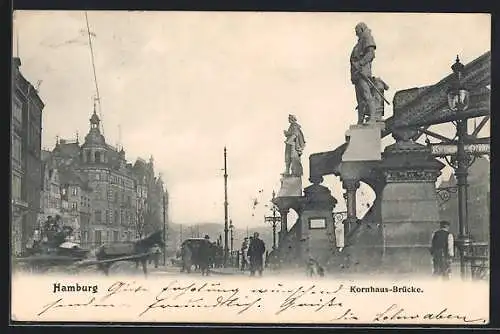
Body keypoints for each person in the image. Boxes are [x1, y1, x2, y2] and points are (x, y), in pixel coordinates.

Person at [350, 22, 377, 124]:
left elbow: (371, 54)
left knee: (366, 94)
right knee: (359, 99)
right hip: (357, 74)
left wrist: (360, 63)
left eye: (357, 31)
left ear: (361, 29)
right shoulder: (359, 42)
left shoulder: (367, 37)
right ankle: (360, 120)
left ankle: (373, 117)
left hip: (362, 72)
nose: (356, 34)